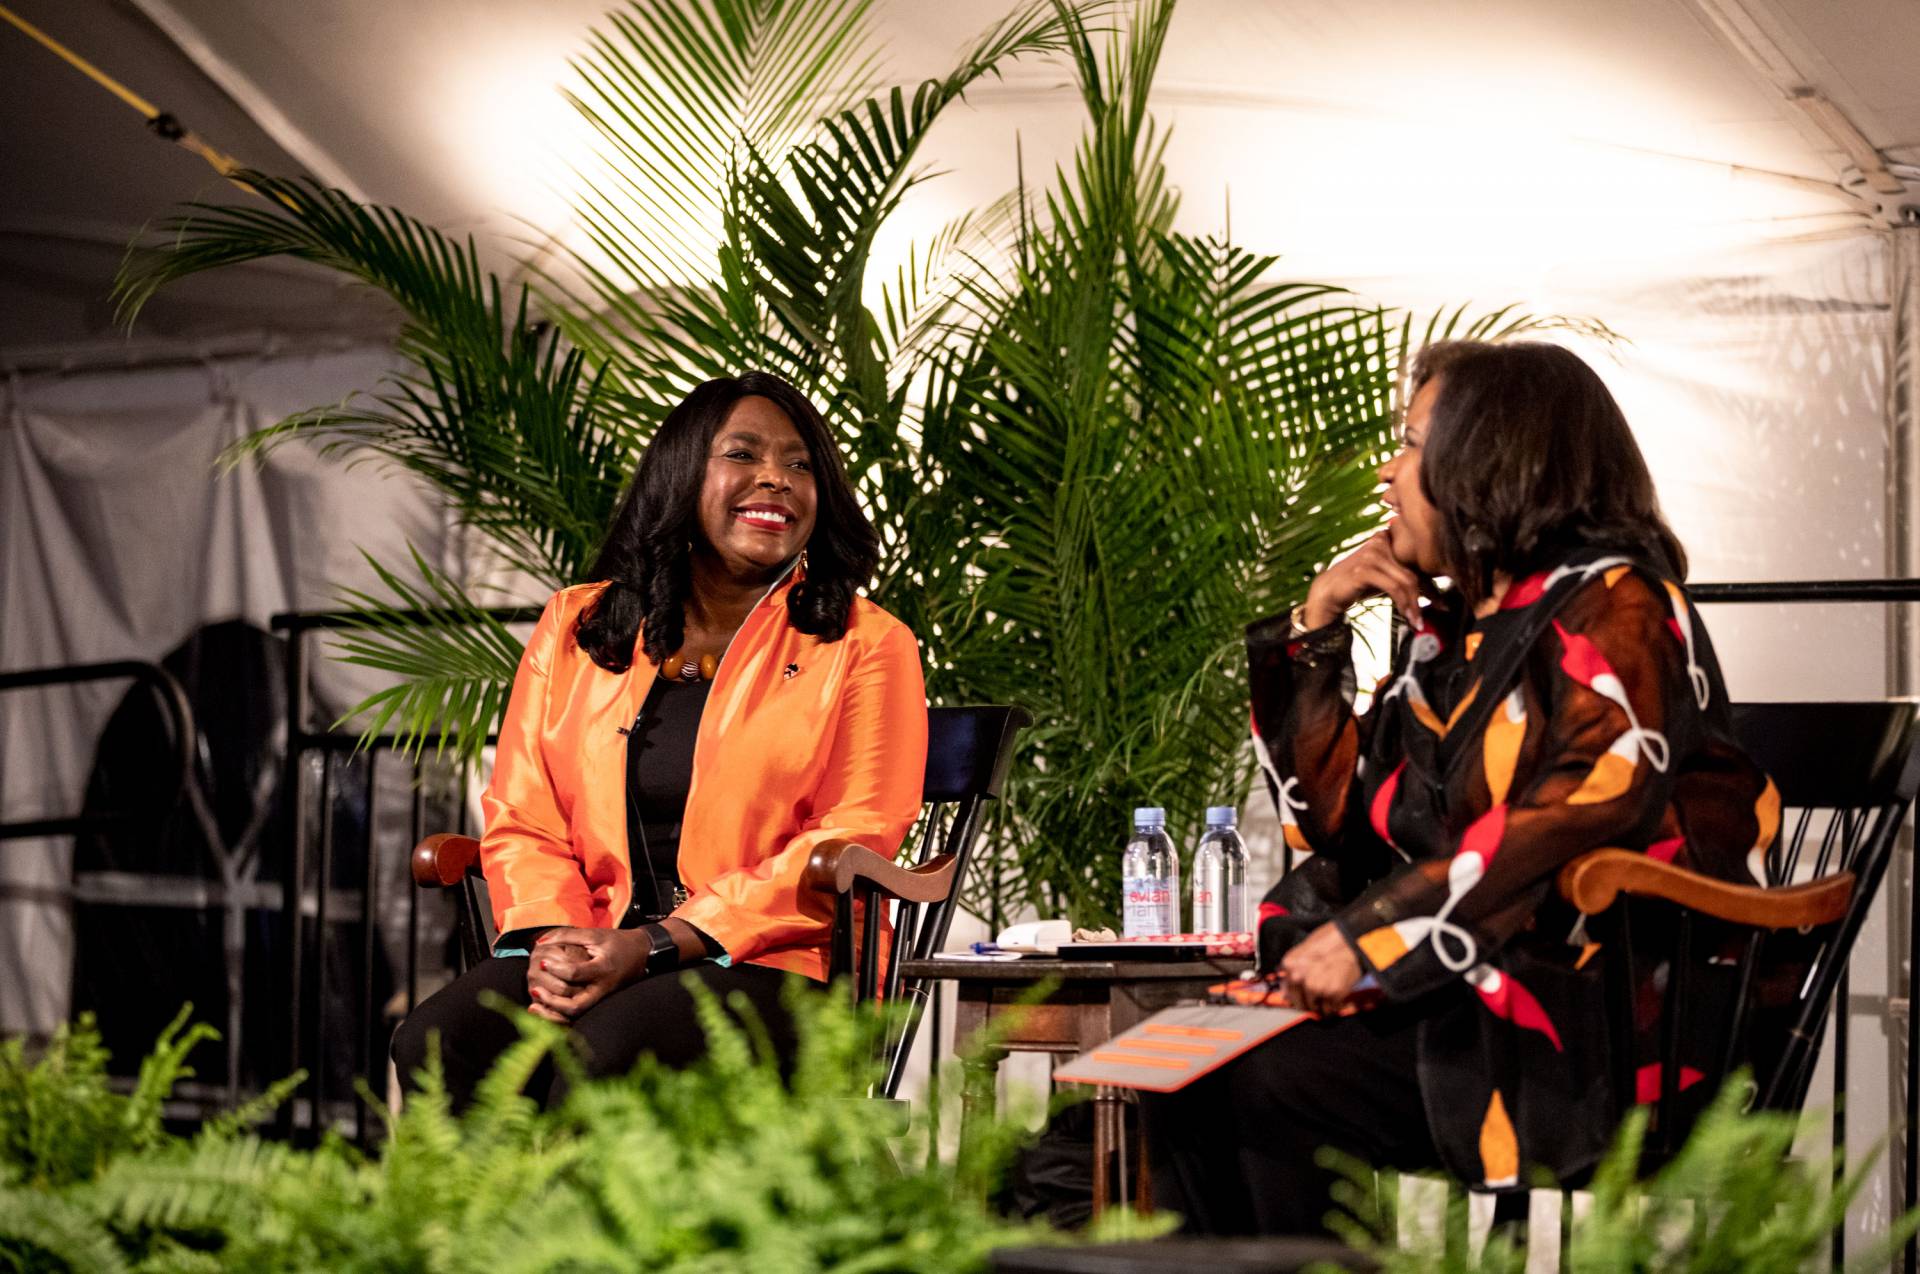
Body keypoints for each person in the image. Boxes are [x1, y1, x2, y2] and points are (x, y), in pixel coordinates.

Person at [1147, 341, 1779, 1235]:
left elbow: (1589, 801)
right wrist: (1317, 623)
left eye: (1408, 447)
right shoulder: (1454, 632)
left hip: (1603, 1019)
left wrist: (1371, 938)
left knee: (1259, 1083)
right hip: (1465, 986)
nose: (1386, 472)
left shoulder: (1621, 604)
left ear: (1487, 462)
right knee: (1179, 1081)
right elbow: (1324, 818)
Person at [391, 371, 928, 1109]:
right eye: (743, 455)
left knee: (602, 1052)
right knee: (441, 1039)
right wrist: (559, 940)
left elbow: (857, 827)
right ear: (681, 474)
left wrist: (660, 942)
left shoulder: (865, 642)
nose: (775, 478)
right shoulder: (579, 627)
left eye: (801, 465)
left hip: (776, 961)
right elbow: (525, 813)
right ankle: (486, 1224)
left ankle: (583, 1226)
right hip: (597, 933)